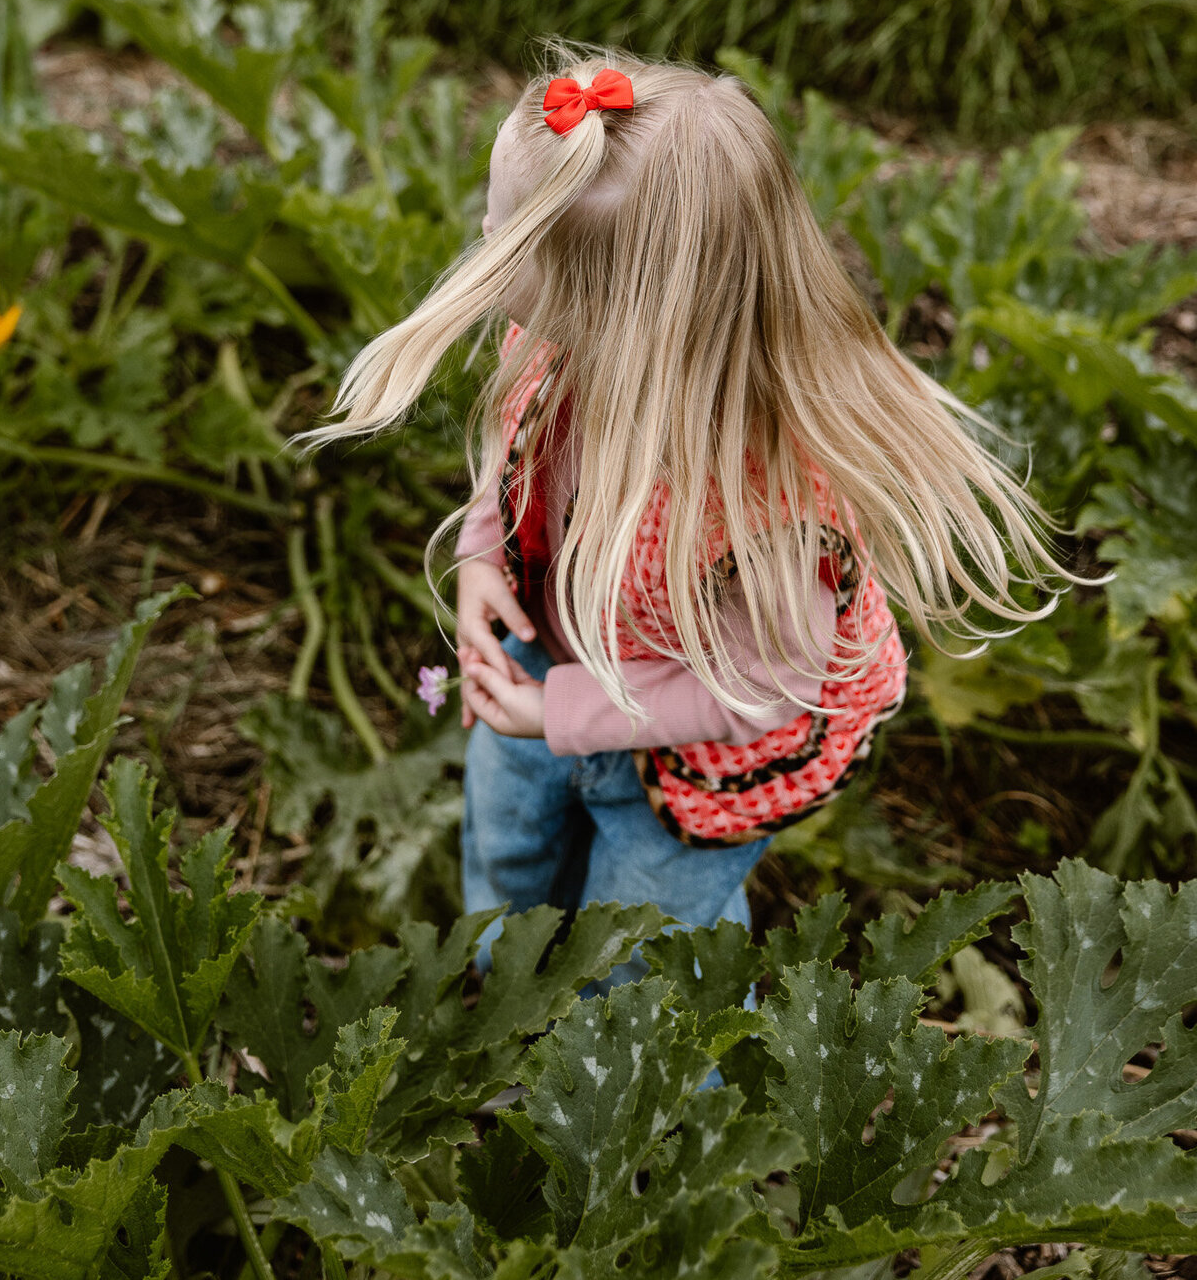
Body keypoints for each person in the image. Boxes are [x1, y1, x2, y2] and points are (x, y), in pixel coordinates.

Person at [314, 50, 1067, 998]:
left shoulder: (764, 508)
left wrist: (563, 715)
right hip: (558, 649)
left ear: (618, 308)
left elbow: (765, 690)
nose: (480, 236)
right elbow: (509, 466)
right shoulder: (553, 349)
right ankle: (503, 1015)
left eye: (506, 236)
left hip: (696, 756)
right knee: (505, 862)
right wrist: (479, 557)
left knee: (646, 958)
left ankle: (656, 1114)